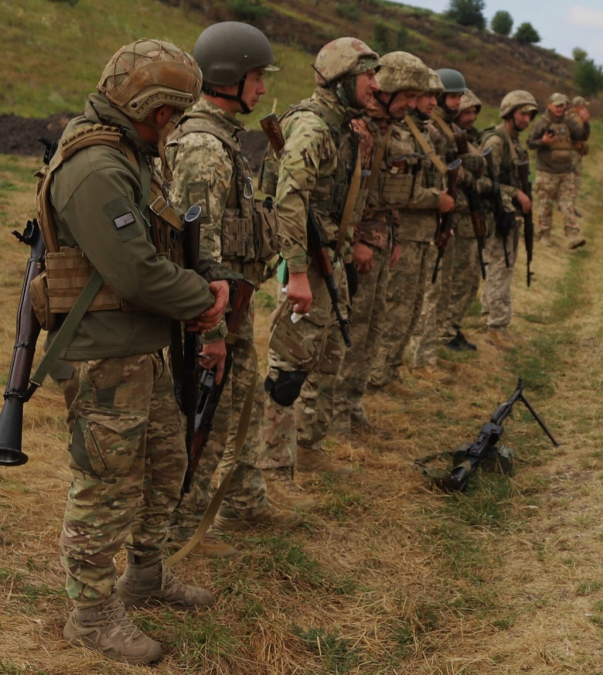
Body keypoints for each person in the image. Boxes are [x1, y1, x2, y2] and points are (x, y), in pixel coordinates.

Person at [40, 39, 234, 664]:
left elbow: (164, 240)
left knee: (161, 467)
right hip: (105, 353)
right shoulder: (97, 167)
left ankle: (145, 574)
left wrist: (200, 285)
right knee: (105, 486)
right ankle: (91, 615)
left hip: (140, 346)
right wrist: (203, 297)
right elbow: (135, 272)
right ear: (151, 108)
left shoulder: (128, 154)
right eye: (172, 112)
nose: (175, 125)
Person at [164, 22, 299, 559]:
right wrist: (212, 332)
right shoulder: (202, 146)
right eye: (256, 77)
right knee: (203, 423)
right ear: (228, 77)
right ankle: (175, 536)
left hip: (233, 307)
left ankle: (241, 498)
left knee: (234, 407)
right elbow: (199, 250)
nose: (263, 90)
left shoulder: (220, 138)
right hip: (211, 315)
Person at [257, 38, 379, 496]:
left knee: (325, 358)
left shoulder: (344, 127)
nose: (375, 85)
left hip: (329, 257)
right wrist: (299, 273)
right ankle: (271, 467)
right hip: (307, 262)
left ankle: (307, 448)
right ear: (344, 79)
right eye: (368, 76)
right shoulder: (312, 128)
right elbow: (289, 200)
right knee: (288, 368)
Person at [329, 50, 422, 437]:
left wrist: (394, 235)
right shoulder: (359, 131)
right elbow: (348, 198)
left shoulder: (391, 132)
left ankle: (352, 406)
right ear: (387, 91)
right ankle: (334, 414)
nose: (413, 105)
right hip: (361, 245)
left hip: (382, 242)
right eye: (407, 97)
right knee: (352, 328)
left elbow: (390, 193)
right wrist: (356, 244)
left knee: (372, 327)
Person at [369, 65, 456, 386]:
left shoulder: (426, 134)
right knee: (396, 307)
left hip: (421, 233)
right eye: (425, 96)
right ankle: (378, 375)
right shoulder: (399, 134)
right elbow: (398, 192)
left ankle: (389, 371)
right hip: (403, 231)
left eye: (434, 96)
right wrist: (437, 200)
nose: (433, 102)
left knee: (414, 303)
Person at [479, 90, 535, 350]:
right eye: (523, 113)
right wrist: (516, 194)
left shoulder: (515, 141)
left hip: (509, 214)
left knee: (503, 267)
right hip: (496, 215)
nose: (527, 118)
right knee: (500, 268)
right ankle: (496, 326)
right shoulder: (496, 141)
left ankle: (491, 316)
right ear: (509, 112)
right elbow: (484, 180)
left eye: (530, 114)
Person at [436, 87, 488, 352]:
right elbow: (451, 173)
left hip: (468, 214)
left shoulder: (466, 138)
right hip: (453, 217)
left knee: (468, 279)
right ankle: (445, 332)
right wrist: (470, 176)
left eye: (472, 111)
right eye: (465, 111)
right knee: (452, 280)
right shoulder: (444, 137)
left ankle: (452, 328)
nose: (469, 116)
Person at [527, 92, 588, 249]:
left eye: (563, 105)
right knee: (545, 206)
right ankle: (545, 236)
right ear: (549, 105)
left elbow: (581, 136)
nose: (561, 108)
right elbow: (530, 143)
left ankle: (572, 236)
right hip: (547, 172)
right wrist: (543, 141)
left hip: (566, 173)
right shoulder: (542, 123)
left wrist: (586, 123)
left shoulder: (568, 122)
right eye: (557, 105)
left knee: (567, 204)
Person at [568, 95, 592, 195]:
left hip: (566, 152)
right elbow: (581, 137)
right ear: (580, 106)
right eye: (584, 106)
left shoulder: (567, 116)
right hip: (574, 152)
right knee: (575, 179)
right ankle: (570, 205)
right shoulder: (578, 119)